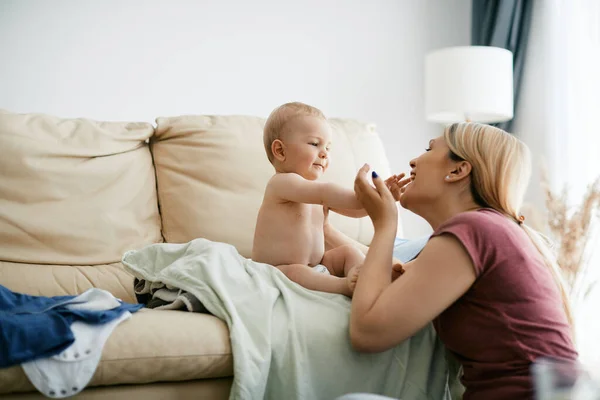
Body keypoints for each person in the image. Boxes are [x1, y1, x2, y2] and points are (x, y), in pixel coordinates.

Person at [327, 122, 578, 399]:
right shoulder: (486, 231)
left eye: (429, 148)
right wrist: (321, 226)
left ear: (458, 170)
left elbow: (367, 333)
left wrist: (385, 223)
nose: (413, 160)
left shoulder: (473, 229)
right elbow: (382, 266)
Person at [252, 102, 368, 297]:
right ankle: (343, 287)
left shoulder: (313, 191)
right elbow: (327, 193)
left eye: (328, 148)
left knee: (349, 252)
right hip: (278, 272)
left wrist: (380, 200)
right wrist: (363, 196)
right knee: (296, 272)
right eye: (314, 144)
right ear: (280, 151)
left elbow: (355, 211)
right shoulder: (281, 184)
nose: (324, 154)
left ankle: (367, 278)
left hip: (319, 265)